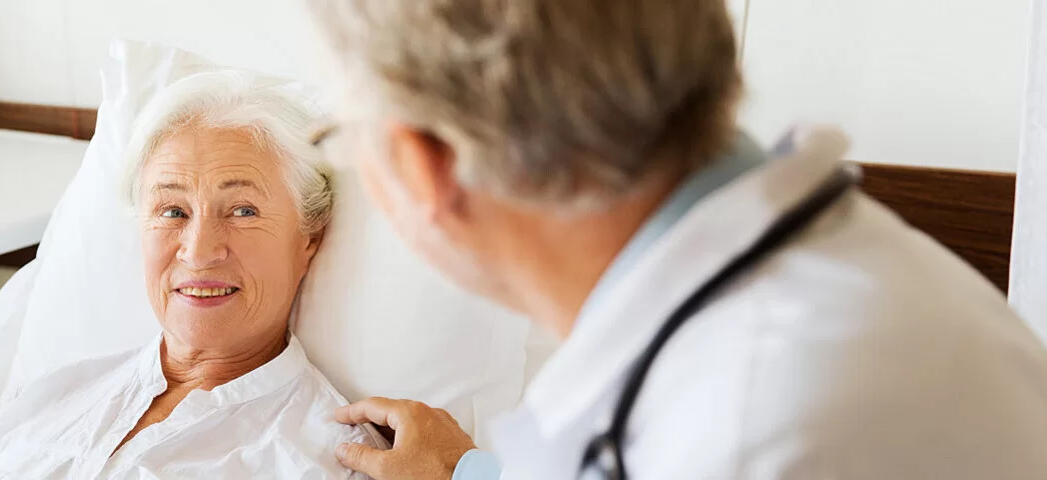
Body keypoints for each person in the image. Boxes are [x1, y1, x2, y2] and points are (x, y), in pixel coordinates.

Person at [303, 0, 1047, 479]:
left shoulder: (754, 429)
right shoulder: (833, 289)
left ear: (423, 165)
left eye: (344, 140)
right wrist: (469, 475)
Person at [0, 72, 385, 478]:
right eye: (172, 210)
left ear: (308, 237)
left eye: (242, 210)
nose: (198, 251)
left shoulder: (326, 459)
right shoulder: (51, 396)